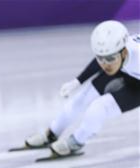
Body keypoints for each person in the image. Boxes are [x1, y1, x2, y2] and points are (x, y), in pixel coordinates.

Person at [23, 20, 139, 157]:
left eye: (109, 58)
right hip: (122, 70)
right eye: (100, 58)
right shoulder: (116, 54)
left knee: (99, 108)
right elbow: (102, 60)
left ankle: (76, 141)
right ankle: (52, 133)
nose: (105, 64)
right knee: (81, 98)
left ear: (124, 52)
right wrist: (77, 81)